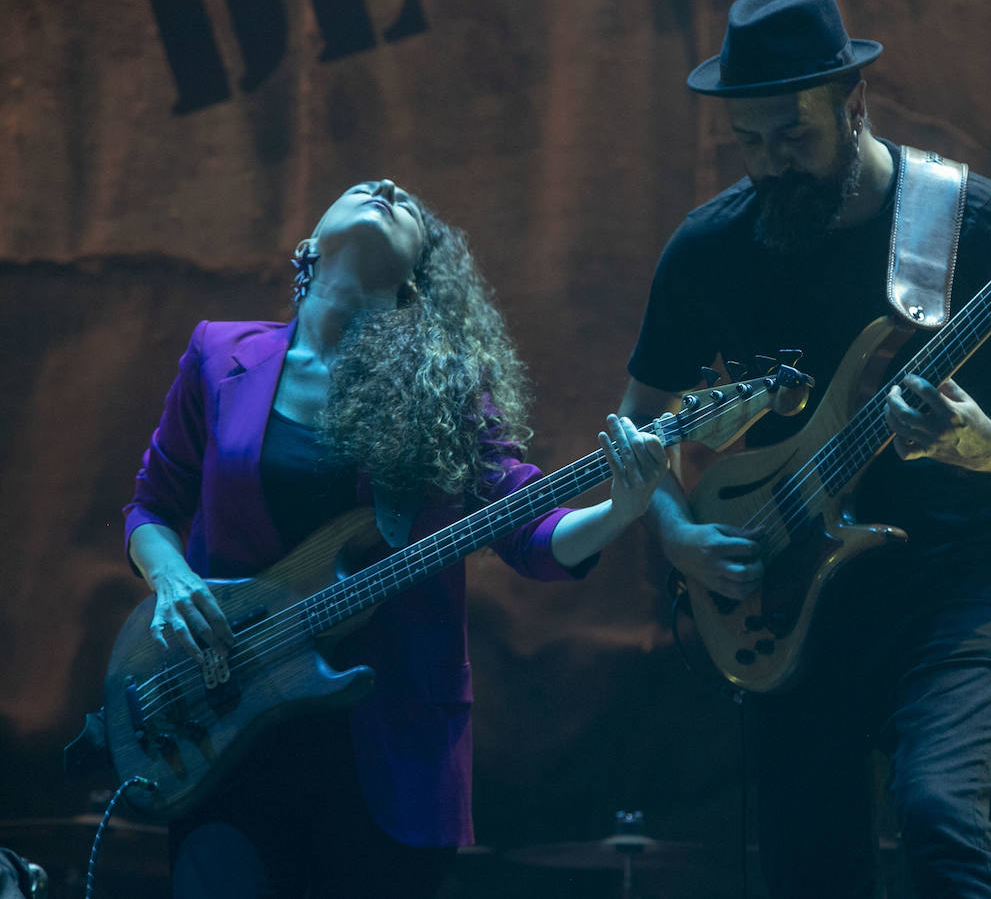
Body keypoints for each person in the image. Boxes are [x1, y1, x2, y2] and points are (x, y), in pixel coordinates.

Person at [618, 0, 991, 897]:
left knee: (937, 810)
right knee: (809, 864)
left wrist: (988, 444)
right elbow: (638, 435)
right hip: (793, 601)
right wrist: (678, 537)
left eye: (793, 136)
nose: (771, 165)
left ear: (855, 104)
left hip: (960, 581)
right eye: (750, 142)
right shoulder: (708, 251)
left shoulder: (978, 223)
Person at [124, 178, 668, 898]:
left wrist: (621, 510)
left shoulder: (444, 388)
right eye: (363, 185)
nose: (387, 186)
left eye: (409, 206)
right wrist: (172, 581)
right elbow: (150, 507)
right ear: (308, 248)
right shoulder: (219, 354)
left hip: (386, 748)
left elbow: (527, 529)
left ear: (416, 276)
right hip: (223, 731)